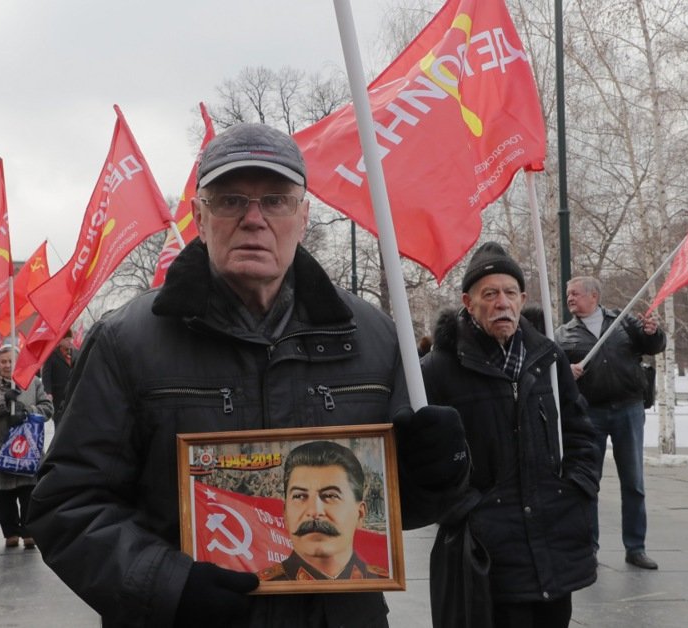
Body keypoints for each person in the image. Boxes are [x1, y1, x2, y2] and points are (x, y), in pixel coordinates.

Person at [26, 122, 469, 628]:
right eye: (230, 200)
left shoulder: (372, 336)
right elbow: (65, 506)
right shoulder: (126, 342)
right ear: (199, 216)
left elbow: (392, 510)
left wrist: (439, 472)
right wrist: (169, 585)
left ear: (303, 217)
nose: (254, 219)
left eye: (276, 201)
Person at [421, 242, 600, 628]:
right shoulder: (437, 370)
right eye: (490, 294)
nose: (502, 303)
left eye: (509, 293)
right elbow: (422, 460)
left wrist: (579, 486)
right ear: (469, 303)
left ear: (522, 299)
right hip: (488, 553)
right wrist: (463, 511)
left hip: (552, 543)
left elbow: (581, 431)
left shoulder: (548, 360)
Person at [555, 276, 667, 570]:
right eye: (568, 294)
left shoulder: (623, 321)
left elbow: (653, 346)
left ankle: (636, 547)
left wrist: (653, 333)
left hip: (628, 410)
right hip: (589, 414)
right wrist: (567, 372)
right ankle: (588, 548)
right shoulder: (563, 335)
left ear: (594, 296)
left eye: (575, 293)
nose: (569, 298)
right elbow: (550, 372)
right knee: (588, 482)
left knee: (633, 482)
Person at [258, 440, 387, 581]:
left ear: (360, 514)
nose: (314, 511)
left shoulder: (382, 580)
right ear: (285, 515)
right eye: (300, 496)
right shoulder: (262, 587)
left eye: (331, 495)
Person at [0, 345, 53, 549]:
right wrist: (2, 401)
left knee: (28, 492)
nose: (8, 365)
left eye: (12, 361)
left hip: (27, 448)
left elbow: (47, 408)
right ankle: (10, 532)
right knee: (4, 494)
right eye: (3, 361)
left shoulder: (34, 382)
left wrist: (26, 411)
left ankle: (29, 532)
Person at [40, 329, 75, 423]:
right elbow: (46, 376)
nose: (70, 342)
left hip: (73, 395)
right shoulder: (51, 355)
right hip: (58, 396)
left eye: (71, 339)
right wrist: (48, 393)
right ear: (60, 340)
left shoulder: (76, 353)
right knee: (60, 423)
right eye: (67, 339)